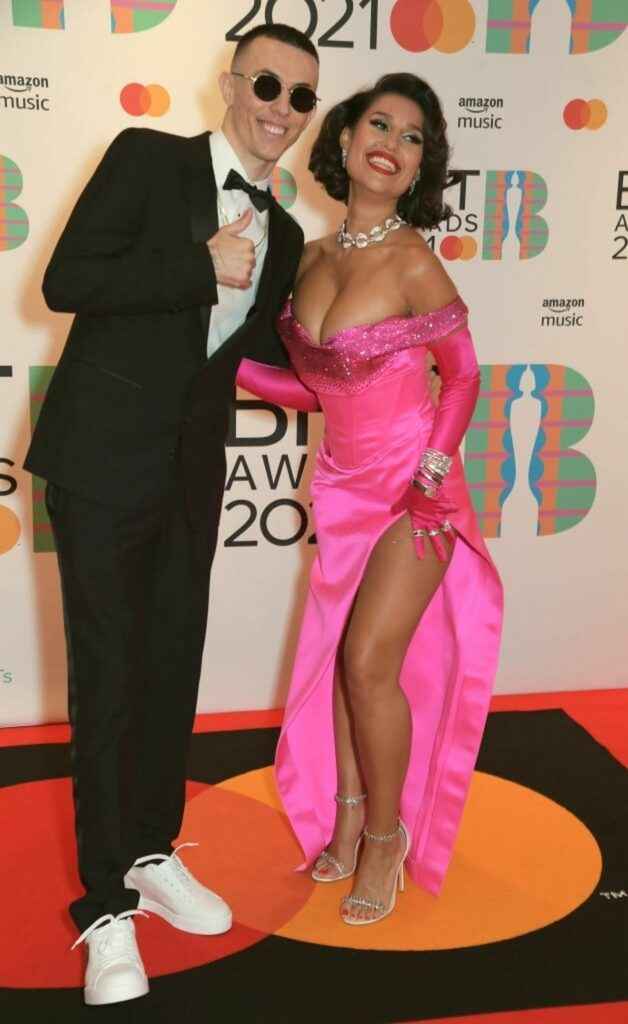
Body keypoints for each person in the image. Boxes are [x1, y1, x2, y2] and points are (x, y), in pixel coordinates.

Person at [24, 23, 319, 1005]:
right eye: (268, 84)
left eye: (301, 96)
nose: (281, 108)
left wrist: (377, 366)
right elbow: (67, 280)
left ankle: (150, 851)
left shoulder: (284, 237)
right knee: (108, 681)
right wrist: (199, 264)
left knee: (167, 672)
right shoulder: (147, 158)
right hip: (100, 464)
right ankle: (105, 904)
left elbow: (268, 355)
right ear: (231, 86)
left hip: (191, 477)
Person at [237, 73, 503, 926]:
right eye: (379, 124)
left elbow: (463, 377)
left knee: (366, 662)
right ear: (346, 140)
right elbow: (318, 388)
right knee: (343, 662)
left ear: (421, 166)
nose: (392, 143)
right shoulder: (311, 259)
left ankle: (386, 838)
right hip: (342, 489)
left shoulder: (413, 260)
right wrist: (224, 366)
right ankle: (348, 820)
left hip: (417, 488)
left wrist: (429, 482)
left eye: (413, 136)